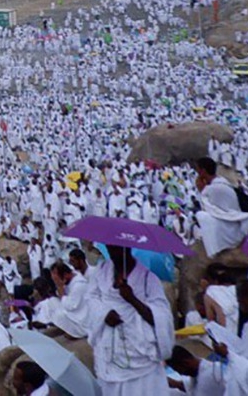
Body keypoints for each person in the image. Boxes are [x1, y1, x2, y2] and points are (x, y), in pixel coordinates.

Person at [87, 245, 174, 396]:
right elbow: (91, 299)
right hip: (110, 347)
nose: (111, 253)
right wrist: (104, 314)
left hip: (139, 354)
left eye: (116, 249)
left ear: (127, 248)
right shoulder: (101, 272)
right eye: (109, 249)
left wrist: (132, 299)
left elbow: (161, 316)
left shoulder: (148, 279)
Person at [195, 159, 248, 257]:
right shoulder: (222, 184)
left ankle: (216, 249)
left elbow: (211, 211)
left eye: (197, 170)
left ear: (203, 171)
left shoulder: (214, 188)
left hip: (232, 229)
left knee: (201, 216)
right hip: (231, 222)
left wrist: (202, 190)